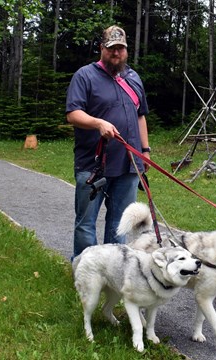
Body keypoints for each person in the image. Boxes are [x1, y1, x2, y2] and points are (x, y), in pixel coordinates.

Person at [66, 25, 151, 259]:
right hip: (94, 165)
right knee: (86, 223)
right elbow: (73, 113)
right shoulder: (85, 76)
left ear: (126, 50)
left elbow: (140, 115)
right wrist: (98, 123)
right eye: (112, 48)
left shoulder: (133, 78)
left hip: (128, 165)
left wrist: (145, 151)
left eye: (121, 48)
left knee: (120, 223)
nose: (116, 53)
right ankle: (84, 271)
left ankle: (112, 272)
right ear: (102, 48)